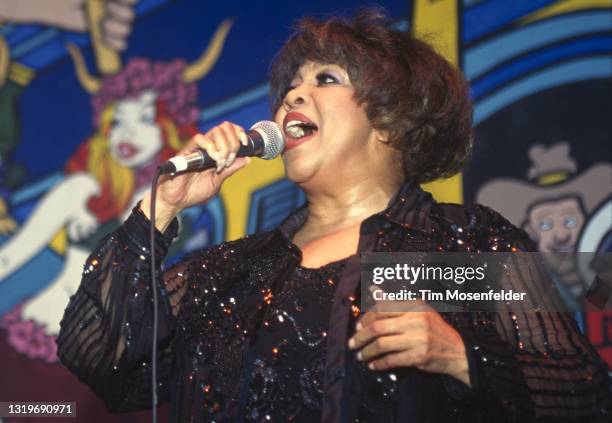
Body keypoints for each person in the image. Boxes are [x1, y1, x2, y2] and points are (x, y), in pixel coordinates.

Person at [56, 10, 610, 422]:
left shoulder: (460, 246)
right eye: (290, 87)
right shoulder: (228, 270)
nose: (293, 96)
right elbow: (98, 358)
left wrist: (463, 358)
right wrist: (160, 209)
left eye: (325, 80)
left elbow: (584, 392)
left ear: (392, 121)